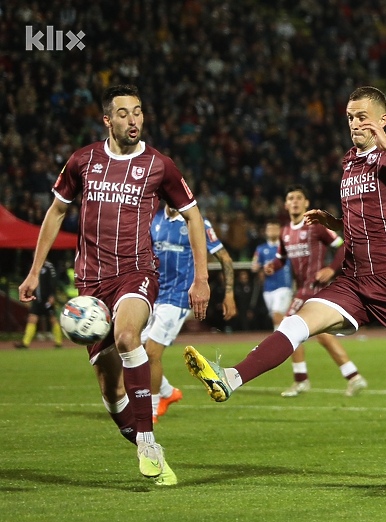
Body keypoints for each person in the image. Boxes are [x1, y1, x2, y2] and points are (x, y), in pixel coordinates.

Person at [182, 86, 386, 458]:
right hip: (354, 280)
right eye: (350, 118)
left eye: (362, 117)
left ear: (382, 119)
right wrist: (336, 223)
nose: (355, 124)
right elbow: (368, 221)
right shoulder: (349, 163)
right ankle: (230, 378)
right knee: (296, 323)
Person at [18, 84, 210, 486]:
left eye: (138, 112)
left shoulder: (160, 165)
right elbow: (55, 213)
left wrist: (202, 278)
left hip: (136, 273)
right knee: (110, 390)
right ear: (107, 120)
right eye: (123, 113)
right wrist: (35, 270)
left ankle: (148, 440)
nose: (133, 119)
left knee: (127, 336)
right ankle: (140, 440)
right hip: (90, 284)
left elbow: (194, 217)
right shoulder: (83, 161)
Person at [261, 185, 367, 397]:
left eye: (299, 198)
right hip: (302, 288)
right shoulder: (285, 232)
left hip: (314, 287)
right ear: (285, 204)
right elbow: (282, 258)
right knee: (322, 334)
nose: (295, 201)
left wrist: (331, 268)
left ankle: (301, 380)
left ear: (307, 203)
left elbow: (343, 245)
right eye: (290, 198)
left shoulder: (316, 226)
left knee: (288, 326)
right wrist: (273, 265)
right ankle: (353, 376)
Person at [141, 204, 237, 423]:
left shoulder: (197, 222)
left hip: (178, 298)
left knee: (152, 353)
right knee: (128, 348)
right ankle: (167, 392)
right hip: (153, 294)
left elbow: (225, 257)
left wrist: (229, 293)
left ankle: (152, 409)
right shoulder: (153, 218)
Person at [251, 220, 293, 332]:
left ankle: (279, 343)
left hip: (283, 286)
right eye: (270, 229)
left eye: (275, 229)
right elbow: (254, 266)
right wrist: (259, 267)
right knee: (279, 318)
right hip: (268, 288)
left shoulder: (286, 247)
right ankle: (289, 340)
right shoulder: (260, 249)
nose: (272, 231)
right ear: (265, 231)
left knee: (276, 315)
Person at [15, 259, 63, 349]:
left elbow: (54, 282)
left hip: (47, 299)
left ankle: (58, 342)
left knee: (53, 319)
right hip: (37, 300)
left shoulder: (49, 266)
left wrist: (52, 295)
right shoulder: (33, 267)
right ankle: (25, 343)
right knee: (32, 319)